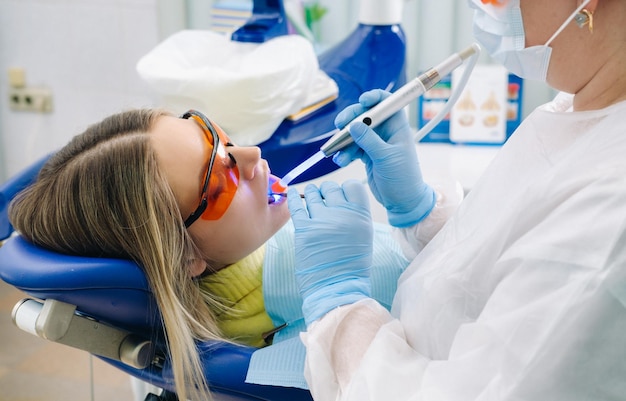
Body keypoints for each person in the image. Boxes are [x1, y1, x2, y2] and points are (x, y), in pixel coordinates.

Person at [288, 0, 626, 399]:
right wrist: (423, 213)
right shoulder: (580, 108)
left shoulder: (610, 217)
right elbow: (510, 262)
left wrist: (341, 315)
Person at [7, 109, 409, 400]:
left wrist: (418, 213)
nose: (251, 155)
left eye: (222, 139)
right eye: (219, 179)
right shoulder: (280, 318)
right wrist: (339, 302)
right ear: (185, 258)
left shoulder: (269, 255)